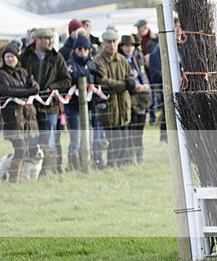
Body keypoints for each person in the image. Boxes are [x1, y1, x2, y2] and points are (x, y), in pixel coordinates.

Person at [19, 28, 72, 176]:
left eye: (52, 39)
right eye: (47, 39)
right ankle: (31, 174)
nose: (51, 42)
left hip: (51, 107)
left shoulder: (57, 57)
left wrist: (52, 88)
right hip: (31, 108)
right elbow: (18, 76)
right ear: (37, 40)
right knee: (33, 141)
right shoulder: (25, 57)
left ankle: (49, 171)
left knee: (49, 141)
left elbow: (66, 79)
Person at [0, 41, 39, 183]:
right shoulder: (1, 74)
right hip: (13, 118)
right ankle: (14, 179)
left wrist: (33, 85)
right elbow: (5, 90)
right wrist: (27, 91)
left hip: (26, 116)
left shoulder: (22, 72)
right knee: (20, 149)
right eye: (7, 56)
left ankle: (21, 178)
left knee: (26, 149)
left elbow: (34, 86)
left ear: (17, 58)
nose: (10, 59)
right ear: (3, 59)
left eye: (12, 56)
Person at [94, 29, 134, 167]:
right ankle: (111, 164)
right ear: (103, 43)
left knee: (124, 140)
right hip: (109, 107)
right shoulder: (98, 61)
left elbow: (131, 76)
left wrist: (131, 81)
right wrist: (124, 85)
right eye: (109, 42)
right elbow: (103, 81)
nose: (112, 45)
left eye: (114, 41)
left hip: (123, 105)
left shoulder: (122, 60)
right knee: (113, 140)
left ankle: (120, 164)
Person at [65, 35, 101, 170]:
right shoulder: (70, 64)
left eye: (85, 49)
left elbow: (96, 79)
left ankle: (87, 163)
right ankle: (73, 165)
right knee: (76, 138)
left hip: (90, 106)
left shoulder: (92, 64)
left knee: (90, 136)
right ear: (75, 50)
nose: (82, 51)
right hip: (74, 107)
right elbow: (73, 77)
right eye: (80, 48)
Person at [118, 35, 152, 164]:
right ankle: (130, 159)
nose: (129, 48)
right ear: (122, 47)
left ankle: (139, 157)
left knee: (139, 130)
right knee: (131, 131)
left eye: (131, 45)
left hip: (142, 98)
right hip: (130, 98)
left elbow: (143, 75)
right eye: (127, 45)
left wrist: (146, 86)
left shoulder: (136, 59)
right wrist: (136, 87)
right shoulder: (121, 61)